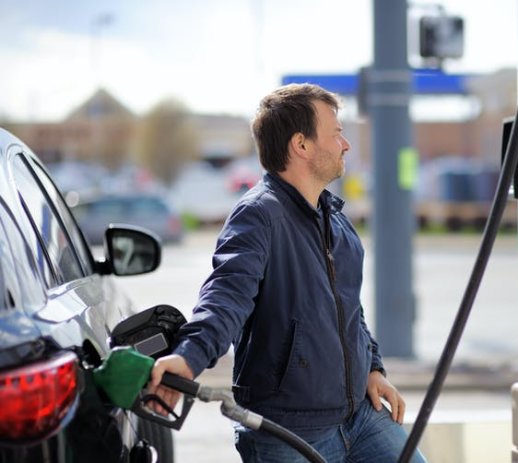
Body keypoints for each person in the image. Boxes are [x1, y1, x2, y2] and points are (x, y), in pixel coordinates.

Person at [149, 83, 426, 462]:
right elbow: (225, 298)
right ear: (302, 145)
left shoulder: (336, 221)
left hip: (359, 417)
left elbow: (349, 311)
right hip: (285, 431)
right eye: (337, 133)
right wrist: (189, 356)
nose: (345, 145)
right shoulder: (258, 216)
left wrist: (372, 368)